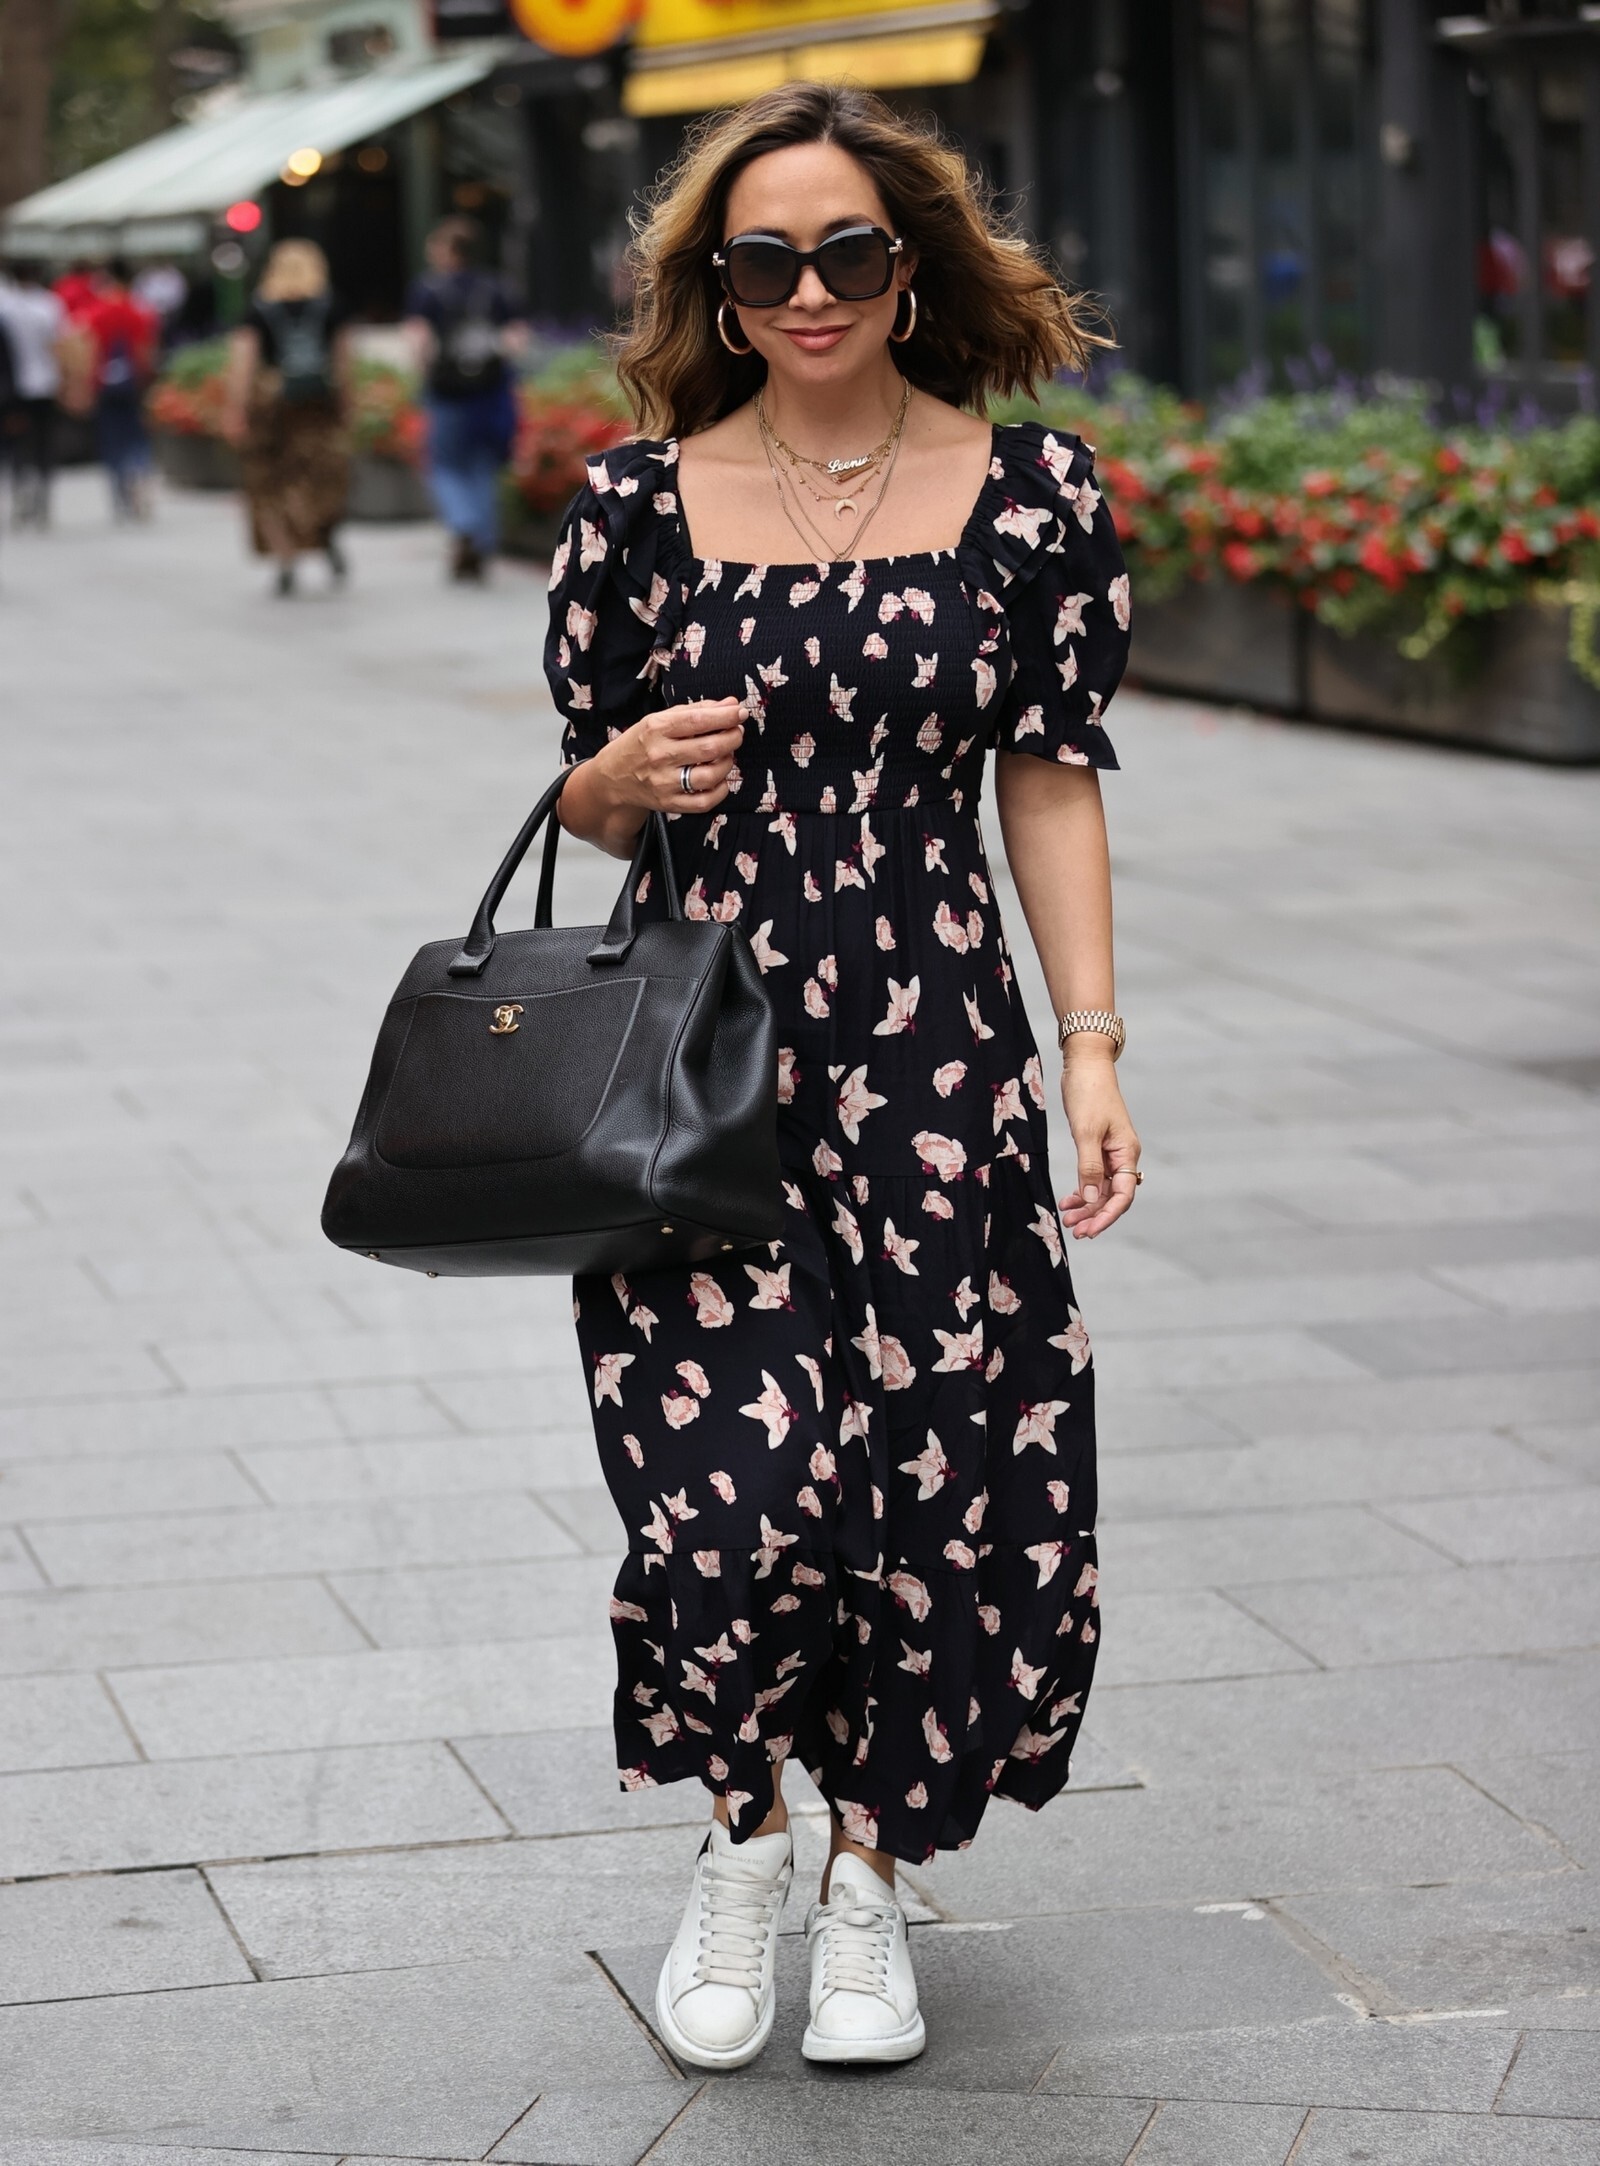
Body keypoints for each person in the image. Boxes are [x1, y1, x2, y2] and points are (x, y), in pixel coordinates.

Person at [546, 82, 1140, 2072]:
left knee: (933, 1478)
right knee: (727, 1499)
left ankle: (870, 1877)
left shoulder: (1029, 496)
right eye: (765, 259)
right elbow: (586, 799)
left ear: (911, 269)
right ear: (717, 289)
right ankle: (738, 1842)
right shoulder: (633, 511)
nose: (808, 290)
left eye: (848, 252)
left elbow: (1047, 781)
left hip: (936, 1067)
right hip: (695, 1075)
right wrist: (612, 778)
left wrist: (1089, 1047)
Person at [222, 240, 352, 597]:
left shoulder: (257, 309)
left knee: (268, 483)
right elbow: (344, 361)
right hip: (317, 406)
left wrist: (235, 410)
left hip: (271, 410)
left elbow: (242, 364)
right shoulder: (331, 306)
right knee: (322, 477)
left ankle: (285, 556)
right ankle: (323, 535)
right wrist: (348, 404)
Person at [405, 217, 525, 582]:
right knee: (483, 466)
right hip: (489, 390)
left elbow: (419, 339)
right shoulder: (498, 287)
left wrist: (425, 374)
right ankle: (483, 543)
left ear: (449, 251)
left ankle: (464, 524)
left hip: (448, 390)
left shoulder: (428, 290)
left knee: (444, 464)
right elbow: (516, 340)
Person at [81, 262, 158, 521]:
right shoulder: (140, 310)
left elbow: (88, 351)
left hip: (104, 386)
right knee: (137, 436)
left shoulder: (95, 312)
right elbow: (147, 350)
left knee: (111, 440)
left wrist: (85, 385)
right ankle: (140, 476)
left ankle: (120, 494)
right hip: (134, 383)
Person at [0, 261, 66, 527]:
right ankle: (42, 494)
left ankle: (23, 491)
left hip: (14, 388)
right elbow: (60, 344)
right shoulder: (49, 305)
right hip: (46, 384)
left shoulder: (6, 306)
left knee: (17, 443)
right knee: (44, 442)